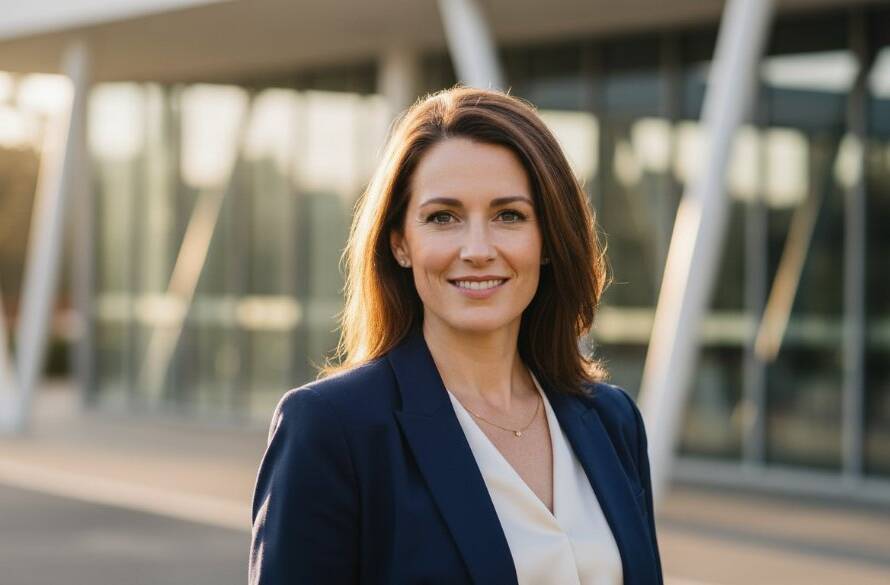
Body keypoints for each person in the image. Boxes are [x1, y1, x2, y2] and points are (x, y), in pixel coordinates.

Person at [249, 86, 663, 585]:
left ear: (548, 240)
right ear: (400, 243)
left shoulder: (612, 420)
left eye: (509, 215)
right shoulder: (332, 429)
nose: (477, 250)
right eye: (443, 217)